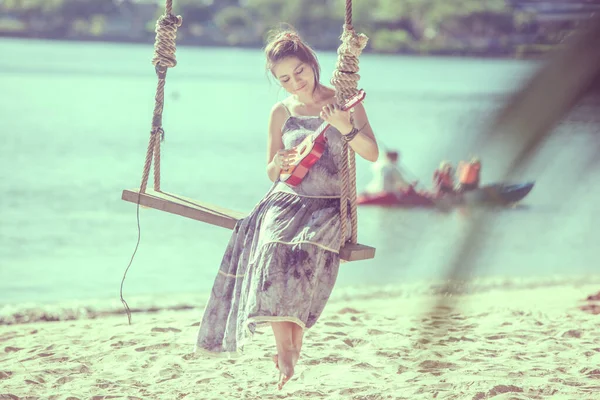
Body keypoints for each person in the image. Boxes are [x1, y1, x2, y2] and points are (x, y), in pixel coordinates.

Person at [194, 28, 379, 390]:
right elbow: (270, 170)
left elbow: (372, 154)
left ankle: (292, 350)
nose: (295, 82)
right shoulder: (281, 112)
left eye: (299, 72)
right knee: (273, 251)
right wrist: (278, 162)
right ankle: (286, 351)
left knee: (303, 255)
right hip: (285, 200)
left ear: (311, 63)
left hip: (328, 207)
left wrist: (346, 128)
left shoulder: (345, 103)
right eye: (284, 78)